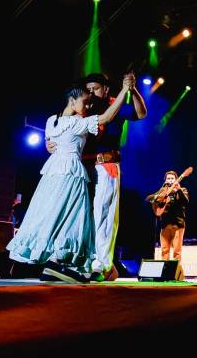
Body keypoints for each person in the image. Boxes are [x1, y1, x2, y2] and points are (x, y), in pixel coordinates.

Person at [7, 80, 130, 282]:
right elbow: (107, 117)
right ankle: (58, 261)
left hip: (53, 173)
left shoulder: (51, 120)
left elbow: (51, 141)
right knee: (73, 216)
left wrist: (48, 144)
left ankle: (52, 262)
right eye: (85, 102)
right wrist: (125, 90)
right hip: (71, 173)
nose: (88, 106)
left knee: (52, 213)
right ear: (72, 101)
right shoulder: (78, 122)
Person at [49, 71, 147, 281]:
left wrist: (132, 90)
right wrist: (50, 142)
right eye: (89, 90)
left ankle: (103, 265)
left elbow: (140, 114)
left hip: (106, 165)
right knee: (78, 214)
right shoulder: (84, 107)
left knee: (103, 214)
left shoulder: (114, 105)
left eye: (96, 89)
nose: (92, 93)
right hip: (82, 167)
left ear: (106, 89)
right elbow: (62, 128)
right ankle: (74, 260)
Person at [146, 170, 189, 261]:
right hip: (165, 224)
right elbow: (148, 198)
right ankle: (165, 269)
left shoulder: (182, 190)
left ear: (176, 180)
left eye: (172, 178)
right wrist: (159, 197)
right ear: (165, 180)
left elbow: (186, 202)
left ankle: (175, 269)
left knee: (177, 252)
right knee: (164, 251)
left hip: (177, 224)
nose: (170, 180)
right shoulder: (162, 191)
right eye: (168, 178)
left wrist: (179, 190)